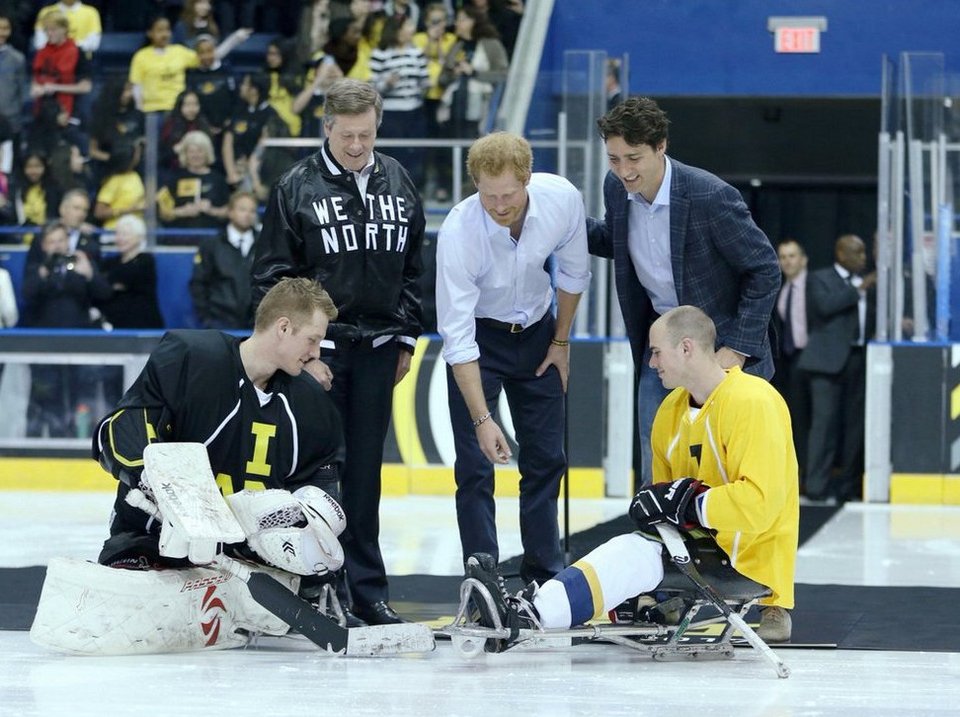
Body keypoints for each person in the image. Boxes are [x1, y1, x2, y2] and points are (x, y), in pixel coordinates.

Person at [466, 306, 799, 645]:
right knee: (632, 554)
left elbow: (761, 504)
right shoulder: (670, 411)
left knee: (631, 554)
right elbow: (668, 502)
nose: (652, 363)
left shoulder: (754, 400)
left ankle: (528, 616)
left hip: (746, 562)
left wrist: (688, 504)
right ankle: (534, 609)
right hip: (700, 550)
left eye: (656, 352)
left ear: (686, 348)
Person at [251, 78, 425, 627]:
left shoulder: (398, 178)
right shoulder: (296, 186)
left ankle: (367, 592)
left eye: (366, 135)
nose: (356, 146)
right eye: (347, 135)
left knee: (365, 477)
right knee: (310, 473)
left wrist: (405, 336)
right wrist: (302, 353)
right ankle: (304, 586)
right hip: (315, 355)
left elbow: (415, 268)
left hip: (378, 349)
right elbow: (271, 278)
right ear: (327, 127)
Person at [94, 277, 345, 586]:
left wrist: (307, 538)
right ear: (283, 328)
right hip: (155, 541)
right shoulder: (192, 358)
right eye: (312, 339)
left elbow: (322, 479)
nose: (317, 353)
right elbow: (119, 428)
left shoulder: (309, 401)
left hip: (247, 559)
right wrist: (150, 479)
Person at [587, 96, 780, 489]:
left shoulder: (710, 195)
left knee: (727, 462)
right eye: (614, 158)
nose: (624, 170)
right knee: (655, 451)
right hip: (661, 346)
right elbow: (616, 239)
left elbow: (764, 269)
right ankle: (659, 544)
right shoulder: (614, 188)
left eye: (633, 158)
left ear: (661, 147)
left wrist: (738, 348)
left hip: (722, 348)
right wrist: (564, 224)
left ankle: (728, 547)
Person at [435, 131, 590, 584]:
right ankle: (482, 577)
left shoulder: (561, 199)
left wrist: (561, 343)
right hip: (481, 341)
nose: (499, 205)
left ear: (527, 179)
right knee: (475, 466)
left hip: (540, 332)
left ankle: (544, 573)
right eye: (488, 195)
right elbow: (458, 337)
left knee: (545, 458)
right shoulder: (460, 231)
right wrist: (483, 421)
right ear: (475, 185)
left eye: (508, 194)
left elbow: (576, 272)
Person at [797, 234, 875, 503]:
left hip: (859, 359)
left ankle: (849, 487)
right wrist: (859, 289)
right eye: (859, 253)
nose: (864, 258)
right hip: (826, 364)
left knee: (855, 427)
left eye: (865, 253)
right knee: (823, 426)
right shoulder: (820, 278)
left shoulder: (869, 284)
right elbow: (824, 307)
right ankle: (817, 487)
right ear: (842, 254)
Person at [189, 190, 258, 329]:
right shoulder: (211, 245)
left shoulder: (266, 244)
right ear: (230, 212)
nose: (247, 214)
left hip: (257, 323)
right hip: (219, 322)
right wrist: (207, 318)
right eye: (242, 209)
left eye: (252, 210)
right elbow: (199, 283)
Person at [773, 238, 810, 485]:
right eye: (783, 256)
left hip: (812, 360)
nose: (787, 261)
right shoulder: (780, 289)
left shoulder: (813, 286)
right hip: (789, 362)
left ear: (803, 259)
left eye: (792, 255)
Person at [98, 213, 165, 329]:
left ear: (139, 237)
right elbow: (100, 285)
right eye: (118, 234)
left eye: (125, 234)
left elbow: (126, 275)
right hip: (114, 325)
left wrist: (110, 283)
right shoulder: (109, 262)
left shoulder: (146, 261)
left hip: (142, 325)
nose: (120, 238)